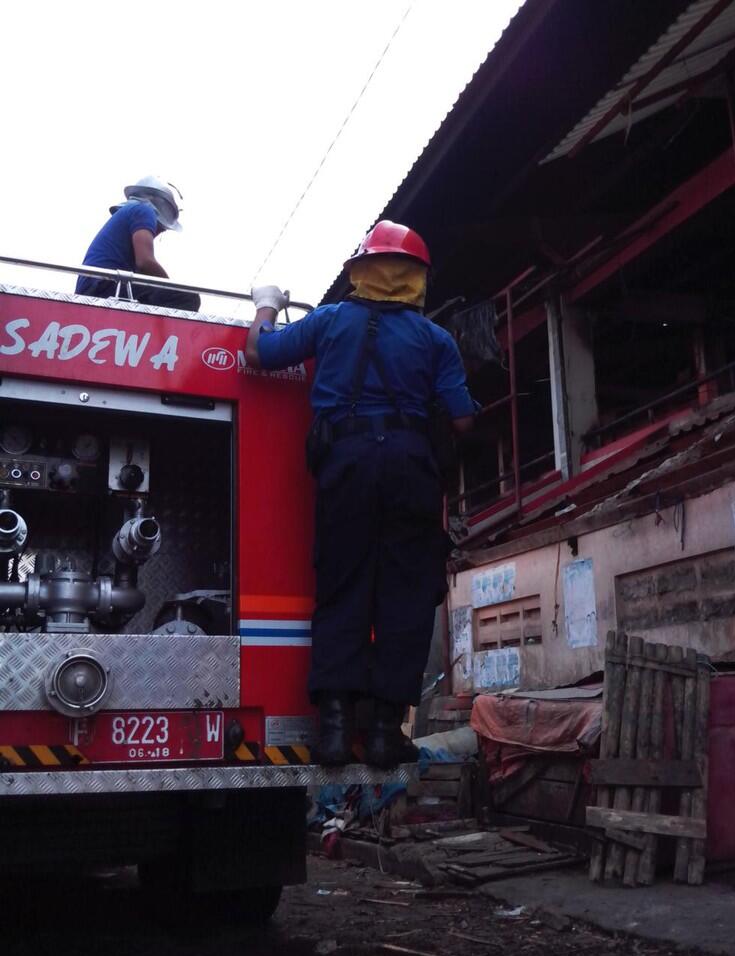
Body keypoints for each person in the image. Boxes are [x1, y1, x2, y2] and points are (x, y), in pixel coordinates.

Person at [246, 220, 475, 768]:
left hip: (344, 465)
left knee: (342, 586)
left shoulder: (328, 322)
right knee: (405, 593)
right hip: (410, 467)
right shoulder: (435, 340)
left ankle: (331, 731)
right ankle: (382, 735)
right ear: (417, 278)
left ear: (361, 271)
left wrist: (265, 307)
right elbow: (464, 422)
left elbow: (258, 354)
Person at [75, 176, 200, 312]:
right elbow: (145, 263)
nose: (157, 232)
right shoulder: (143, 210)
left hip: (94, 286)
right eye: (160, 228)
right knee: (187, 297)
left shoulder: (129, 212)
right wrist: (170, 286)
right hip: (104, 286)